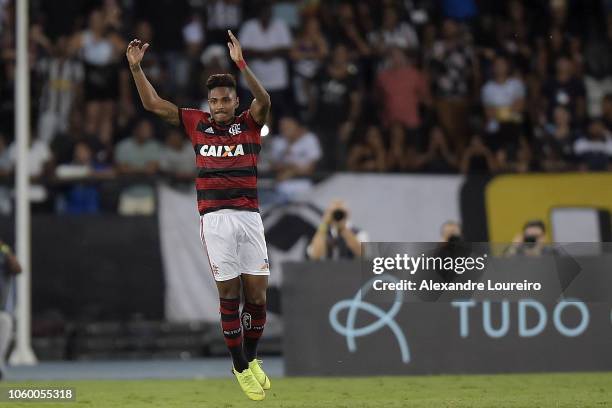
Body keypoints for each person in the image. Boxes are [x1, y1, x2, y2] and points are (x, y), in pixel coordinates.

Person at [127, 30, 270, 401]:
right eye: (214, 100)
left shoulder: (250, 123)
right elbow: (154, 104)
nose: (219, 105)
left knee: (257, 298)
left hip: (250, 217)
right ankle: (238, 366)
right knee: (230, 294)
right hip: (216, 218)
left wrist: (241, 64)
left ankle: (250, 360)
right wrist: (136, 69)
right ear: (207, 103)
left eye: (225, 99)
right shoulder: (195, 123)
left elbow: (265, 98)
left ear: (235, 100)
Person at [0, 240, 22, 380]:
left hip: (0, 310)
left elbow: (17, 269)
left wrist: (5, 249)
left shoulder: (3, 254)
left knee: (5, 321)